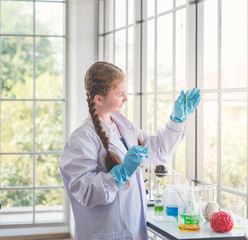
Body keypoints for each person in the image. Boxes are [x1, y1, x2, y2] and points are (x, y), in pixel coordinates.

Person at [59, 61, 201, 240]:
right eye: (120, 94)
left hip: (133, 228)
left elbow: (159, 151)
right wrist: (120, 173)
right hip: (107, 233)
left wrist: (178, 119)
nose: (125, 98)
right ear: (99, 99)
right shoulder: (82, 138)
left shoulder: (122, 125)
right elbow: (84, 190)